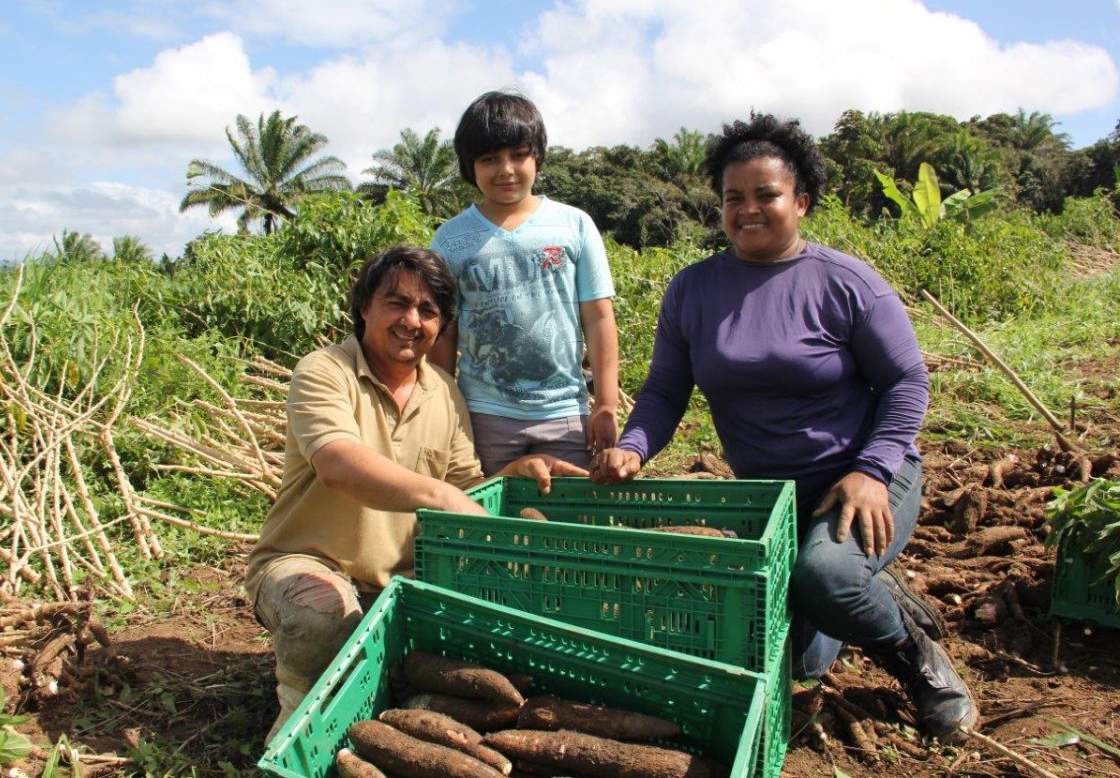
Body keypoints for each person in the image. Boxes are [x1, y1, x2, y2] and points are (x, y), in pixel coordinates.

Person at [589, 113, 978, 742]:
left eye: (765, 195)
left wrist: (872, 471)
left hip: (864, 477)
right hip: (775, 500)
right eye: (732, 198)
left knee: (827, 578)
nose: (748, 210)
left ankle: (927, 670)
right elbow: (665, 390)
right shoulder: (694, 289)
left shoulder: (846, 283)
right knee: (802, 659)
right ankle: (860, 584)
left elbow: (908, 383)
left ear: (799, 200)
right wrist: (633, 446)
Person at [245, 245, 588, 742]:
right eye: (396, 303)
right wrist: (440, 496)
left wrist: (515, 471)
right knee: (321, 611)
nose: (412, 320)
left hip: (402, 582)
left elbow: (466, 487)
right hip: (307, 563)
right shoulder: (325, 371)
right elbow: (338, 465)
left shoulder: (444, 391)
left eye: (428, 311)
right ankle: (297, 715)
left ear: (442, 325)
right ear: (365, 307)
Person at [429, 89, 620, 475]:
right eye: (489, 159)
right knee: (491, 518)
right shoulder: (450, 239)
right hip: (484, 412)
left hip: (565, 411)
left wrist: (605, 404)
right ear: (470, 166)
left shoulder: (574, 225)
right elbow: (444, 332)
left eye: (518, 155)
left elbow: (598, 317)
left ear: (537, 156)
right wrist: (443, 409)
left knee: (569, 524)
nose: (506, 170)